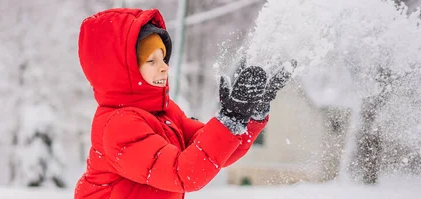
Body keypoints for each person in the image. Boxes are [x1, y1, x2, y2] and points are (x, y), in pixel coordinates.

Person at [74, 8, 290, 199]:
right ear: (121, 70)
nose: (164, 68)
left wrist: (249, 116)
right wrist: (230, 119)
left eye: (164, 58)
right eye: (151, 61)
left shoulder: (165, 113)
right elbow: (183, 173)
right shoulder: (119, 126)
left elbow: (211, 152)